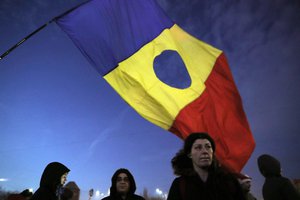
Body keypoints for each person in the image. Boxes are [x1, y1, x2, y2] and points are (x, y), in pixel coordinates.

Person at [167, 132, 245, 200]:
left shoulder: (229, 181)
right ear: (189, 154)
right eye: (198, 147)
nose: (205, 151)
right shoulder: (180, 185)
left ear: (212, 152)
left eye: (208, 147)